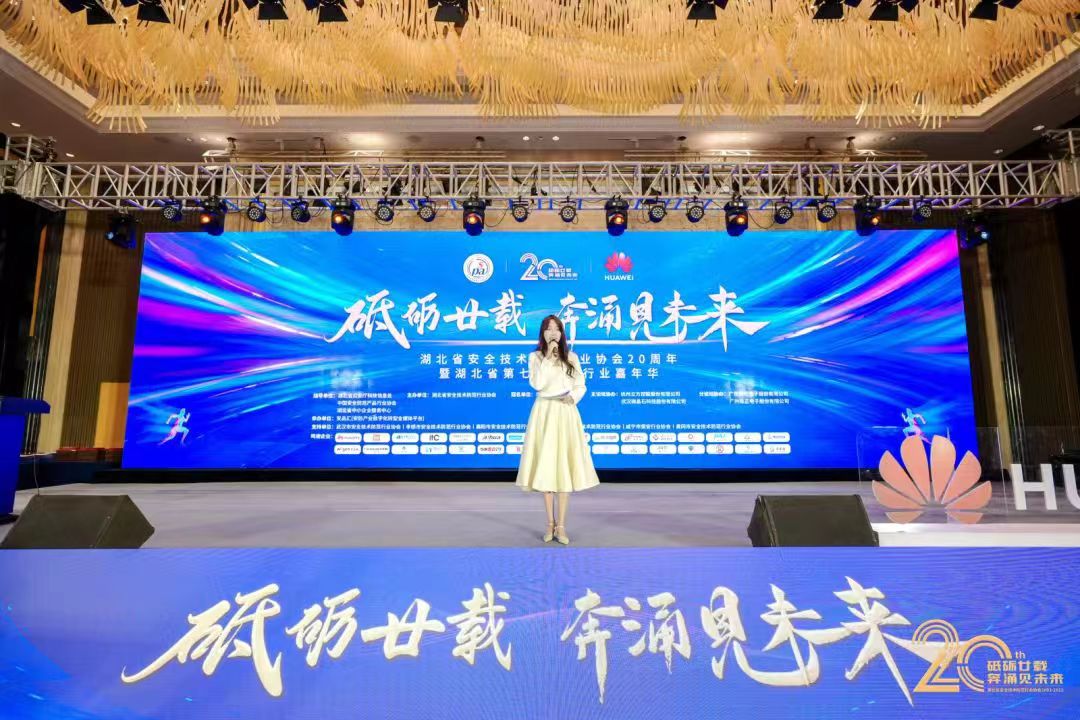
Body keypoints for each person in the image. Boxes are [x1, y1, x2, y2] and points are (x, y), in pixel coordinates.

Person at [515, 315, 599, 544]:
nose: (553, 333)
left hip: (565, 411)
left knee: (563, 468)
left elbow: (581, 384)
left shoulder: (571, 357)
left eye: (557, 329)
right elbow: (537, 384)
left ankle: (561, 526)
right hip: (544, 411)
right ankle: (549, 524)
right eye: (548, 329)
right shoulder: (535, 357)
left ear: (562, 333)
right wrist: (548, 358)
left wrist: (573, 397)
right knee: (546, 467)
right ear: (542, 333)